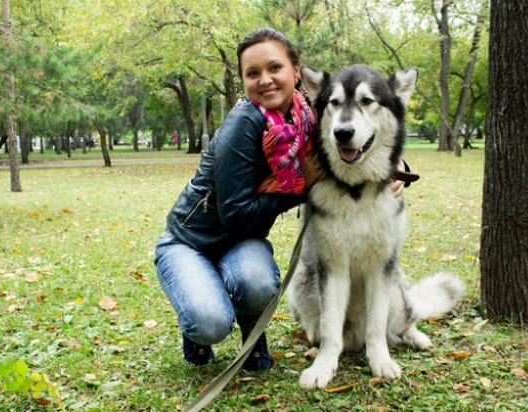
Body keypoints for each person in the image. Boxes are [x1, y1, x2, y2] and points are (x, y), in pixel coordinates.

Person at [154, 28, 406, 371]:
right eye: (252, 73)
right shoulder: (243, 125)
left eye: (275, 68)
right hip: (192, 240)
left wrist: (398, 166)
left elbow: (366, 130)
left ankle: (252, 334)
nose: (265, 80)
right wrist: (302, 184)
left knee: (258, 283)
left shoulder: (311, 112)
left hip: (240, 241)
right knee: (210, 320)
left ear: (296, 71)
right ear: (243, 79)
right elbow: (237, 215)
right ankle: (198, 325)